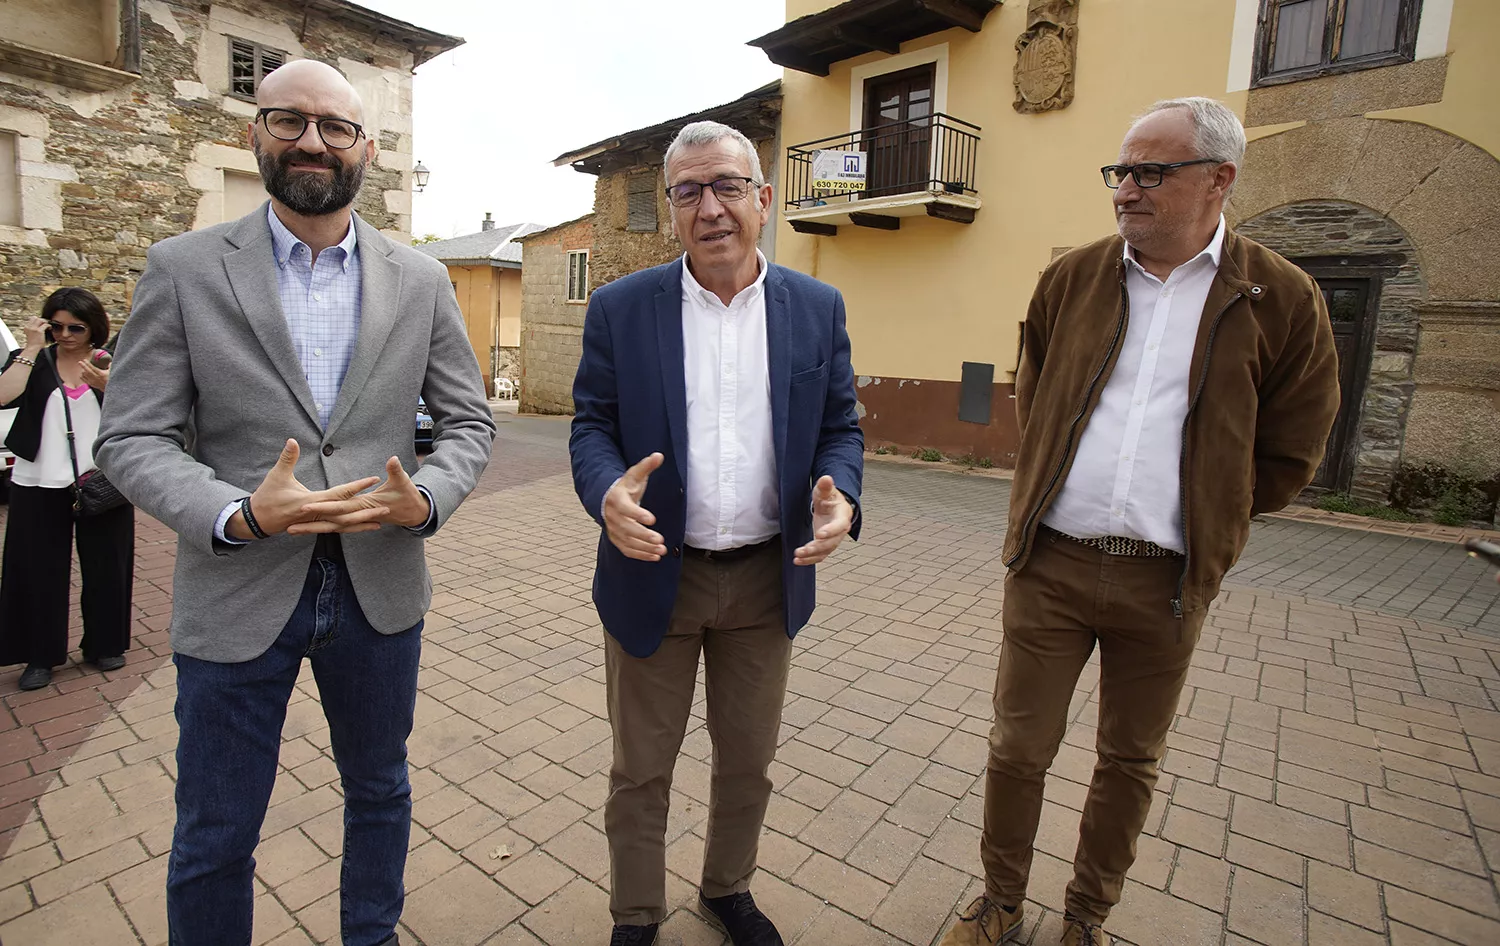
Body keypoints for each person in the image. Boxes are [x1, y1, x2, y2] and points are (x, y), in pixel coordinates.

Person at [94, 60, 495, 946]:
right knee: (214, 832)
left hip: (379, 590)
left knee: (381, 791)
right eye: (289, 120)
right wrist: (237, 513)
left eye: (335, 126)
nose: (312, 139)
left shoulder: (420, 280)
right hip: (236, 591)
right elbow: (128, 437)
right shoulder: (185, 268)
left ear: (367, 149)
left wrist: (424, 498)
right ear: (256, 133)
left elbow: (469, 422)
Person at [936, 97, 1340, 946]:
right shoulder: (1074, 278)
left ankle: (1086, 916)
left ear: (1218, 180)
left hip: (1167, 582)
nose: (1127, 189)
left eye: (1152, 172)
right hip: (1052, 565)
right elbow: (1033, 393)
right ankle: (1000, 901)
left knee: (1128, 761)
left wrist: (1217, 514)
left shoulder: (1283, 298)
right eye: (1121, 171)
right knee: (1018, 749)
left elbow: (1294, 445)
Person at [570, 120, 864, 946]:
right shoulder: (622, 307)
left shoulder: (816, 308)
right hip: (654, 570)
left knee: (747, 762)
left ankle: (727, 889)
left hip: (769, 578)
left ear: (763, 200)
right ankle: (636, 912)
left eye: (728, 186)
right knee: (640, 770)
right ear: (671, 210)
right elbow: (592, 425)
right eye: (689, 191)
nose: (711, 207)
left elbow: (840, 426)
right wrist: (606, 496)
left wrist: (847, 500)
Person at [0, 288, 133, 690]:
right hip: (38, 480)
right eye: (56, 326)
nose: (66, 334)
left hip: (100, 480)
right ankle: (39, 656)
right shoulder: (36, 361)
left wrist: (112, 387)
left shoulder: (109, 362)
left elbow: (143, 409)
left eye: (76, 327)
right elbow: (4, 396)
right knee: (36, 570)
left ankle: (105, 644)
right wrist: (30, 345)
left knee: (108, 565)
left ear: (94, 327)